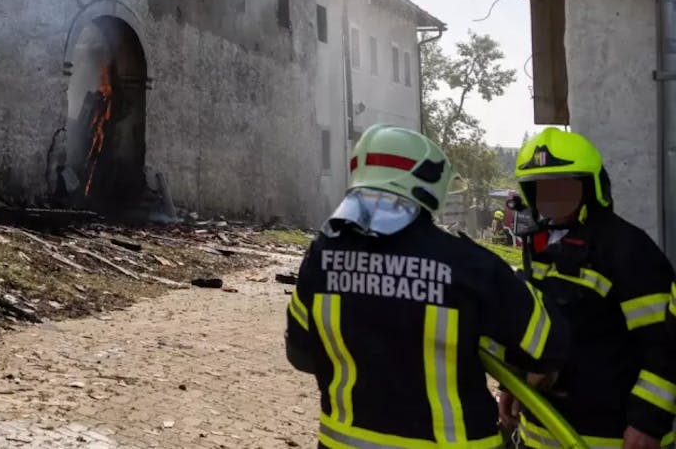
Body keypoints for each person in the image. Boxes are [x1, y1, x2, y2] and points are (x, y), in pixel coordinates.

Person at [286, 125, 568, 449]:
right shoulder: (468, 265)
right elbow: (547, 345)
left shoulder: (322, 255)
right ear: (428, 185)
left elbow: (300, 354)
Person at [502, 127, 676, 449]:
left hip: (610, 436)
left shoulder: (627, 249)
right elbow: (533, 328)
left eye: (563, 186)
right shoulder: (538, 245)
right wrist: (514, 382)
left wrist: (648, 421)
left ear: (590, 186)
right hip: (540, 431)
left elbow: (664, 344)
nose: (551, 197)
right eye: (541, 188)